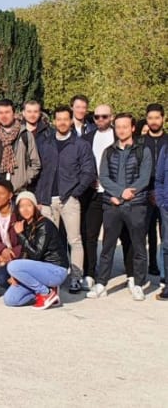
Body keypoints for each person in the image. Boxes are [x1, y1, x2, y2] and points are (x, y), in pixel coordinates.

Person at [88, 113, 152, 301]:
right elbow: (104, 177)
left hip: (136, 205)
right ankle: (102, 283)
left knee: (139, 246)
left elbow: (144, 178)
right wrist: (118, 194)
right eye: (118, 127)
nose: (121, 130)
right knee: (107, 246)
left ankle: (138, 284)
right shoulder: (109, 151)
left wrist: (126, 196)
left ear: (133, 128)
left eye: (125, 126)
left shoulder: (143, 151)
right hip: (113, 206)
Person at [33, 106, 96, 293]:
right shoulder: (45, 143)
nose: (61, 122)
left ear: (71, 121)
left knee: (74, 240)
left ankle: (76, 277)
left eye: (65, 119)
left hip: (69, 199)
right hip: (46, 200)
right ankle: (50, 277)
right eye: (58, 119)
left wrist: (76, 192)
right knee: (47, 241)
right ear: (53, 121)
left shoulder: (80, 145)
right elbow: (38, 170)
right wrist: (39, 196)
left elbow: (88, 171)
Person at [4, 190, 70, 309]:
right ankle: (46, 289)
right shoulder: (26, 224)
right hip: (39, 272)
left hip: (55, 270)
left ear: (35, 207)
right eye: (22, 206)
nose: (25, 209)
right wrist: (17, 275)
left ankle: (46, 293)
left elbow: (36, 254)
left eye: (29, 205)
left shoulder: (44, 224)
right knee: (10, 299)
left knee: (12, 266)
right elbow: (25, 253)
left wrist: (20, 235)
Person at [80, 104, 114, 287]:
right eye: (97, 116)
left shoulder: (120, 136)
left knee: (115, 235)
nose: (100, 120)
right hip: (93, 193)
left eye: (104, 116)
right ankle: (90, 272)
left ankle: (131, 275)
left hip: (114, 193)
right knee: (90, 234)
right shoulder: (86, 138)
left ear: (111, 117)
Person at [0, 99, 41, 194]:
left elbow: (35, 163)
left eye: (7, 112)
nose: (4, 116)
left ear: (14, 114)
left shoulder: (25, 134)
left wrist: (24, 180)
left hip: (17, 190)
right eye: (0, 113)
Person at [138, 104, 166, 280]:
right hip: (145, 191)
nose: (154, 121)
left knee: (165, 233)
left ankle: (165, 271)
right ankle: (147, 267)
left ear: (163, 118)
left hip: (165, 193)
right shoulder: (140, 142)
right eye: (150, 118)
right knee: (144, 232)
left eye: (157, 117)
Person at [155, 144, 168, 299]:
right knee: (166, 245)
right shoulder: (166, 149)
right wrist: (162, 201)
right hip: (167, 206)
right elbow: (158, 179)